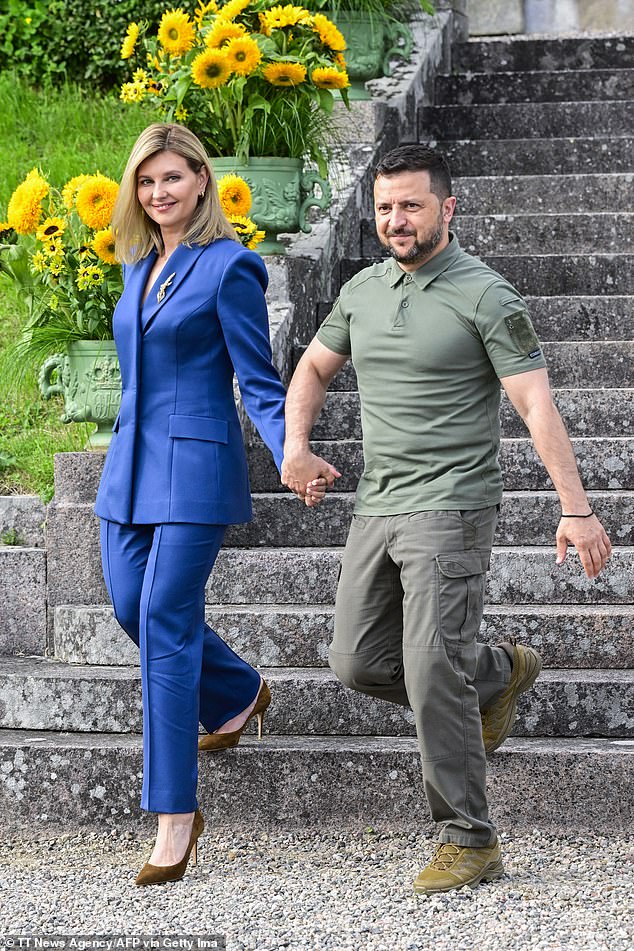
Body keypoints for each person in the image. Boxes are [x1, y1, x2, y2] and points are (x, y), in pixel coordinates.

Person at [281, 144, 612, 895]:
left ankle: (470, 838)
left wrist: (577, 508)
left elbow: (534, 403)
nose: (396, 220)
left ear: (448, 208)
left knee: (431, 665)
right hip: (378, 503)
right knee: (358, 660)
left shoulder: (486, 295)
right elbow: (311, 368)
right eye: (385, 207)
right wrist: (296, 446)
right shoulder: (362, 289)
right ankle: (498, 672)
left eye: (412, 205)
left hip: (453, 504)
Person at [94, 123, 325, 886]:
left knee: (163, 615)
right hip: (127, 468)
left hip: (194, 470)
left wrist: (289, 448)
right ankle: (236, 689)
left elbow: (258, 381)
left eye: (172, 178)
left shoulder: (231, 269)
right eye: (146, 181)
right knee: (132, 606)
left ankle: (174, 816)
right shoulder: (134, 266)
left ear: (202, 181)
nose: (159, 193)